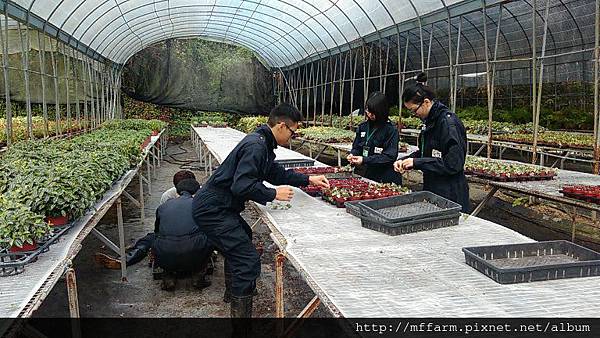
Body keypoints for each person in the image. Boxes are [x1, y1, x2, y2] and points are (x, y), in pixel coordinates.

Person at [192, 103, 330, 318]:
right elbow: (241, 185)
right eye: (293, 132)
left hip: (218, 206)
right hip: (213, 209)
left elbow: (273, 173)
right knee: (247, 261)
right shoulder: (256, 146)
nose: (293, 137)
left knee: (243, 237)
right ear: (282, 126)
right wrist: (273, 194)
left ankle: (235, 293)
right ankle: (241, 325)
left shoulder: (262, 143)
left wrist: (307, 179)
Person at [393, 72, 470, 212]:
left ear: (426, 102)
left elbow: (453, 164)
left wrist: (417, 163)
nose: (414, 114)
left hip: (450, 193)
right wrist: (408, 160)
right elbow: (426, 152)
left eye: (414, 110)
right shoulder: (430, 122)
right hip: (434, 187)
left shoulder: (448, 123)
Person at [153, 178, 213, 290]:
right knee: (210, 236)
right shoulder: (200, 205)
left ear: (177, 191)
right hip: (194, 252)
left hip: (165, 252)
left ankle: (169, 276)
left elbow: (157, 231)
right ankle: (198, 275)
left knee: (160, 240)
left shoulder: (163, 207)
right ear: (196, 192)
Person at [347, 92, 402, 185]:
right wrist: (352, 154)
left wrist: (364, 160)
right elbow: (357, 147)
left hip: (386, 177)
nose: (370, 114)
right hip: (368, 174)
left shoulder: (391, 130)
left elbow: (389, 157)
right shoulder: (363, 127)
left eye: (373, 112)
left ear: (382, 111)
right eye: (368, 111)